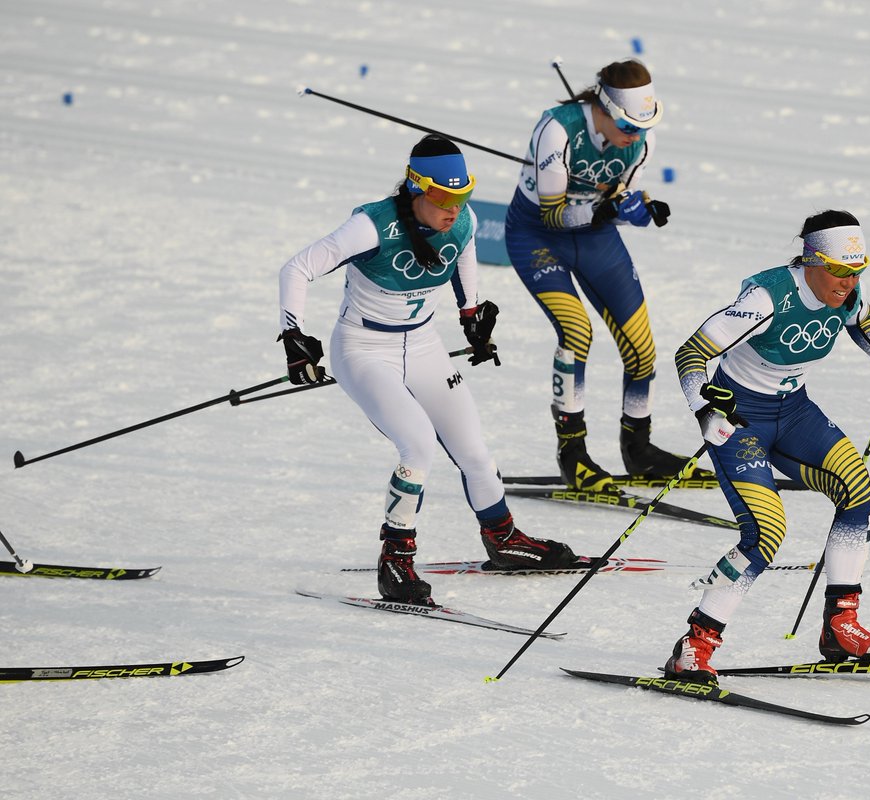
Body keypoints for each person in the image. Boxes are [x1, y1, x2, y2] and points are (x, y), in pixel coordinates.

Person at [277, 134, 582, 606]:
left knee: (476, 453)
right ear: (416, 190)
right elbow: (297, 268)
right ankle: (395, 560)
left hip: (423, 346)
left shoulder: (463, 221)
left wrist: (472, 315)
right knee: (417, 446)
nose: (453, 210)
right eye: (441, 198)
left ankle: (503, 540)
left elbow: (465, 259)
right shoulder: (370, 226)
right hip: (363, 350)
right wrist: (294, 337)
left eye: (460, 197)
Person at [662, 210, 870, 684]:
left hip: (794, 412)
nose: (848, 281)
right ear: (811, 261)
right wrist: (704, 410)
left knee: (857, 491)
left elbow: (862, 319)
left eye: (857, 270)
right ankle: (694, 646)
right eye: (839, 270)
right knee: (766, 531)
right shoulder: (766, 298)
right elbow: (690, 353)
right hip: (739, 420)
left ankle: (841, 628)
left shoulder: (847, 288)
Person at [504, 59, 702, 494]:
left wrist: (639, 207)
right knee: (577, 333)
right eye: (629, 126)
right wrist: (608, 209)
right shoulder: (556, 131)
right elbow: (553, 216)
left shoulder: (639, 144)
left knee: (642, 348)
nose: (635, 135)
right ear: (605, 109)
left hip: (594, 236)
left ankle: (639, 448)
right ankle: (572, 455)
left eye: (643, 127)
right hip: (538, 236)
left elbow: (622, 193)